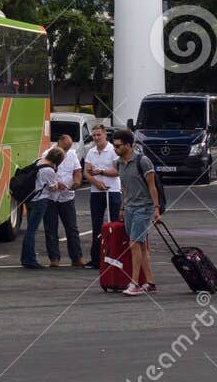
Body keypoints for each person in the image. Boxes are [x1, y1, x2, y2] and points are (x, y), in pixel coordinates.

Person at [113, 129, 161, 295]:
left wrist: (156, 208)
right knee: (141, 246)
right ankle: (150, 282)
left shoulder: (143, 161)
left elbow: (152, 186)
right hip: (130, 208)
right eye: (114, 145)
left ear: (128, 145)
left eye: (118, 146)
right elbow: (125, 188)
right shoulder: (118, 163)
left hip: (144, 207)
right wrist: (122, 207)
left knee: (134, 244)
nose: (115, 148)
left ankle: (134, 283)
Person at [41, 132, 86, 268]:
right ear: (58, 143)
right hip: (51, 197)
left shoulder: (72, 154)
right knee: (50, 228)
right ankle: (54, 258)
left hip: (67, 196)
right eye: (64, 148)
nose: (66, 151)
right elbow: (44, 173)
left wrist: (77, 182)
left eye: (68, 148)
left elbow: (77, 171)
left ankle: (76, 258)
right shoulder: (47, 154)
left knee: (72, 228)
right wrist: (55, 184)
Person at [20, 146, 66, 270]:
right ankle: (30, 260)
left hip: (30, 200)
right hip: (40, 201)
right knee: (31, 231)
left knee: (30, 229)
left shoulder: (38, 161)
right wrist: (58, 185)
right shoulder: (49, 170)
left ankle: (25, 258)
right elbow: (52, 188)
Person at [83, 124, 122, 270]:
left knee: (114, 224)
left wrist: (102, 173)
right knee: (96, 225)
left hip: (112, 191)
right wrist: (96, 182)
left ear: (105, 134)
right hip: (96, 192)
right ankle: (96, 259)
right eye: (94, 135)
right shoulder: (91, 152)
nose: (96, 138)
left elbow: (118, 171)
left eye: (99, 135)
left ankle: (114, 257)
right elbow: (86, 172)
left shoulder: (113, 150)